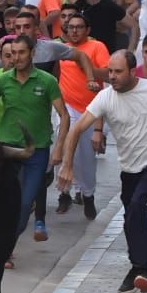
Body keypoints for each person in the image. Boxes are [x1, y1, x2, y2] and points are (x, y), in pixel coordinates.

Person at [58, 52, 147, 293]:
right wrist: (67, 165)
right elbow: (76, 130)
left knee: (140, 206)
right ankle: (135, 270)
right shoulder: (105, 97)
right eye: (110, 72)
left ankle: (143, 269)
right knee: (131, 220)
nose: (112, 77)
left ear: (131, 72)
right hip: (129, 169)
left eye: (118, 72)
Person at [0, 35, 71, 240]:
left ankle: (6, 241)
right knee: (2, 199)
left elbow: (64, 115)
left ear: (33, 54)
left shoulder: (47, 81)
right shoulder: (3, 79)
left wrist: (59, 148)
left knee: (25, 203)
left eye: (22, 52)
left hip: (37, 151)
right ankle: (4, 247)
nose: (17, 57)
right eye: (13, 53)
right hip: (6, 149)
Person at [56, 14, 111, 219]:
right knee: (62, 148)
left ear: (87, 30)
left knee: (86, 158)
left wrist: (87, 68)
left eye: (79, 27)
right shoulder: (60, 49)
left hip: (91, 109)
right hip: (66, 108)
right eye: (71, 27)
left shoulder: (97, 47)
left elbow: (107, 75)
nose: (75, 31)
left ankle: (88, 195)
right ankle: (64, 193)